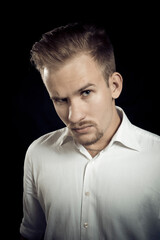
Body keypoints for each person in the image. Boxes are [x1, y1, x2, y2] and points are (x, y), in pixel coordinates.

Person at [20, 22, 160, 240]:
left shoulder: (157, 158)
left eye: (85, 92)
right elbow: (32, 233)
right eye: (60, 100)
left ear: (114, 85)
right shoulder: (37, 154)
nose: (74, 116)